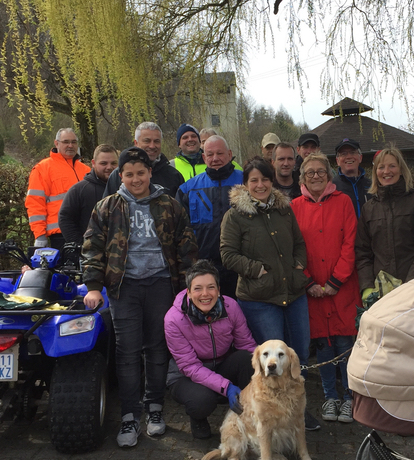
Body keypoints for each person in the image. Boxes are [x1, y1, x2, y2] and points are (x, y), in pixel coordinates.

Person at [82, 147, 198, 448]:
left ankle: (155, 408)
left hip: (161, 284)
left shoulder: (169, 206)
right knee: (128, 351)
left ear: (150, 173)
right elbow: (93, 247)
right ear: (121, 176)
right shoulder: (107, 207)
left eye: (141, 173)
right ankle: (130, 414)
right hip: (125, 287)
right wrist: (94, 285)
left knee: (158, 348)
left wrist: (189, 285)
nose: (136, 179)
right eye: (129, 174)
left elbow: (187, 245)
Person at [219, 157, 320, 431]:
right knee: (271, 362)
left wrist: (298, 264)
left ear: (271, 180)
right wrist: (255, 269)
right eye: (254, 180)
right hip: (260, 299)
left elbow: (299, 243)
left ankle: (298, 411)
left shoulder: (284, 210)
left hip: (293, 292)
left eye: (265, 179)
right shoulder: (235, 216)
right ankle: (272, 416)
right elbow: (227, 254)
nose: (260, 184)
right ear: (246, 184)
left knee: (298, 354)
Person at [291, 153, 359, 424]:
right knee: (323, 346)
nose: (316, 176)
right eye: (310, 172)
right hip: (312, 290)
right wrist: (309, 282)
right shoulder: (294, 206)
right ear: (303, 178)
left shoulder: (343, 202)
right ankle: (331, 396)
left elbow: (350, 243)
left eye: (321, 171)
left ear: (329, 175)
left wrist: (334, 281)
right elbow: (293, 248)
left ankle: (350, 397)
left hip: (341, 287)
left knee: (345, 343)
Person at [164, 260, 257, 439]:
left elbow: (246, 344)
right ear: (188, 292)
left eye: (211, 287)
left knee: (248, 358)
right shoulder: (173, 319)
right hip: (187, 375)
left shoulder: (231, 306)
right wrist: (227, 386)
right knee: (202, 401)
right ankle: (198, 417)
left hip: (222, 364)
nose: (205, 294)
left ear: (219, 290)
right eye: (198, 288)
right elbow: (190, 366)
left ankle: (249, 411)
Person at [355, 147, 414, 298]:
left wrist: (412, 283)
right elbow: (363, 253)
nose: (386, 171)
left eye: (392, 166)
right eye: (381, 167)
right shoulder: (369, 208)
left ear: (401, 169)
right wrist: (367, 287)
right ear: (375, 172)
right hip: (382, 293)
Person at [176, 135, 244, 298]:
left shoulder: (247, 182)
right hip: (205, 269)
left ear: (229, 154)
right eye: (210, 154)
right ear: (204, 157)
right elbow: (180, 233)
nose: (215, 159)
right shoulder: (187, 189)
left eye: (220, 154)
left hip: (242, 267)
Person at [25, 128, 90, 249]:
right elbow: (35, 204)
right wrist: (40, 235)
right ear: (56, 143)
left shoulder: (86, 170)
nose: (70, 145)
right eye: (66, 142)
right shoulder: (43, 169)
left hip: (87, 233)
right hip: (59, 235)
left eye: (74, 142)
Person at [103, 122, 185, 197]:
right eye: (147, 141)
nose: (152, 146)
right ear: (136, 143)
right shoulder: (118, 175)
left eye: (156, 141)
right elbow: (107, 209)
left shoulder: (174, 176)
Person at [58, 144, 118, 245]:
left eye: (114, 163)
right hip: (91, 256)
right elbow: (65, 218)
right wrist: (81, 246)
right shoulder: (79, 190)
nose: (109, 167)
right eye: (103, 163)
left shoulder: (126, 188)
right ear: (93, 163)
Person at [331, 138, 371, 217]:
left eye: (352, 152)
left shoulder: (372, 186)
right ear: (337, 161)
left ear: (360, 158)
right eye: (343, 154)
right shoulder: (331, 187)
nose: (349, 157)